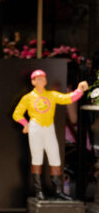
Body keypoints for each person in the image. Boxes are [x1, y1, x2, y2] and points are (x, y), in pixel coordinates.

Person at [12, 68, 88, 201]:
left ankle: (58, 191)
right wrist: (25, 124)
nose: (42, 80)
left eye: (43, 78)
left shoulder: (51, 95)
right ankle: (38, 191)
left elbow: (67, 99)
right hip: (35, 127)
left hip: (49, 128)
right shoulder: (28, 98)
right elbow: (16, 113)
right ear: (33, 81)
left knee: (55, 158)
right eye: (38, 78)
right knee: (37, 158)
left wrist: (79, 90)